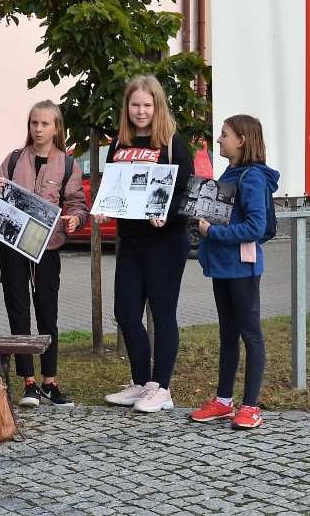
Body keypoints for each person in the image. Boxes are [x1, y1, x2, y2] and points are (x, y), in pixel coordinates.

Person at [93, 75, 194, 413]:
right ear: (127, 107)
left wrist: (168, 214)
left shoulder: (172, 144)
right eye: (135, 104)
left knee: (162, 314)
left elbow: (187, 194)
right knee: (125, 312)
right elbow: (115, 188)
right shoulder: (119, 144)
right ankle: (140, 382)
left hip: (166, 242)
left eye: (147, 105)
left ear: (157, 106)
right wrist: (104, 210)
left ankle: (161, 388)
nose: (140, 111)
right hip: (131, 241)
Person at [0, 99, 89, 408]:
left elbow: (76, 202)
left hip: (48, 246)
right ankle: (28, 383)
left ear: (57, 128)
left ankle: (50, 382)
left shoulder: (68, 164)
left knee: (48, 313)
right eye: (34, 123)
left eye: (45, 123)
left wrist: (76, 218)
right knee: (18, 311)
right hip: (13, 246)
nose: (38, 129)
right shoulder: (14, 158)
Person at [190, 114, 279, 429]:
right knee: (228, 334)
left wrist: (212, 233)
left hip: (242, 268)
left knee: (250, 335)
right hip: (223, 269)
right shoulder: (230, 172)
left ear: (241, 140)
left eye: (224, 135)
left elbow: (254, 226)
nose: (218, 140)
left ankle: (251, 407)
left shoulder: (252, 177)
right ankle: (224, 402)